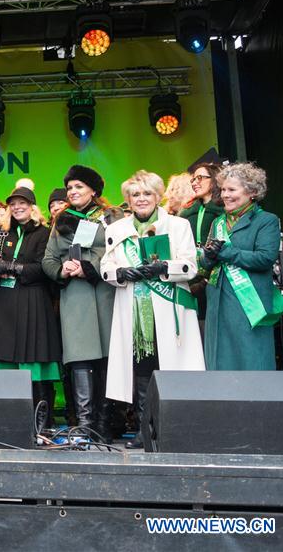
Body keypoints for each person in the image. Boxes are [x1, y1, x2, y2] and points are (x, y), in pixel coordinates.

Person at [100, 171, 205, 448]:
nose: (141, 199)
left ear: (158, 196)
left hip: (170, 309)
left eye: (147, 193)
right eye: (136, 195)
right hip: (134, 311)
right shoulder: (116, 229)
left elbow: (192, 267)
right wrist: (122, 272)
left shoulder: (178, 225)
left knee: (172, 368)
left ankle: (176, 429)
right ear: (128, 199)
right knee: (142, 371)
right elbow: (105, 269)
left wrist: (164, 268)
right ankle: (146, 430)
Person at [42, 165, 121, 439]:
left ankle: (106, 424)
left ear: (94, 190)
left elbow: (119, 249)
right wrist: (63, 270)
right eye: (70, 187)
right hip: (74, 297)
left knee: (107, 359)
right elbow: (48, 259)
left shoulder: (112, 216)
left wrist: (89, 266)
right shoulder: (61, 220)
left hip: (105, 293)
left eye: (79, 187)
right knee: (79, 358)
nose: (73, 191)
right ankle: (86, 425)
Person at [0, 186, 61, 430]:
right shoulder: (1, 233)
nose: (18, 207)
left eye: (23, 203)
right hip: (5, 304)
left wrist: (9, 267)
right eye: (14, 204)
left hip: (33, 300)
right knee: (4, 357)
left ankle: (42, 423)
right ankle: (8, 422)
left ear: (32, 207)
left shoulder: (44, 233)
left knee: (35, 360)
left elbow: (43, 267)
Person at [201, 163, 283, 370]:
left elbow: (265, 258)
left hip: (248, 301)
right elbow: (206, 265)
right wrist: (208, 257)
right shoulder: (218, 222)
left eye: (232, 190)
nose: (225, 195)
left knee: (251, 357)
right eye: (223, 190)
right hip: (218, 299)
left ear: (252, 192)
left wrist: (225, 252)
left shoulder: (266, 221)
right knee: (220, 360)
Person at [178, 162, 224, 325]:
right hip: (191, 276)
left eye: (200, 178)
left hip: (216, 278)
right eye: (193, 179)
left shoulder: (225, 210)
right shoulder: (186, 213)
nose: (195, 182)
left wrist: (206, 280)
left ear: (215, 179)